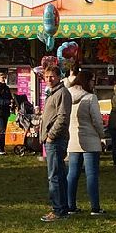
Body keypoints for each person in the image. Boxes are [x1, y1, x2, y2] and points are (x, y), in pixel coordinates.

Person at [64, 70, 107, 216]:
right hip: (90, 139)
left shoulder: (67, 95)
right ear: (87, 81)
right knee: (91, 174)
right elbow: (97, 120)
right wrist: (102, 136)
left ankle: (70, 206)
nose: (93, 83)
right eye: (92, 80)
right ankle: (95, 207)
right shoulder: (90, 98)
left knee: (72, 174)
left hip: (73, 139)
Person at [38, 74, 75, 222]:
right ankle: (62, 208)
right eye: (46, 76)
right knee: (58, 174)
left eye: (52, 76)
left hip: (56, 140)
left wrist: (51, 135)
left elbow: (63, 117)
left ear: (59, 77)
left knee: (55, 176)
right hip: (52, 139)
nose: (49, 79)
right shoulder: (53, 92)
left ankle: (59, 210)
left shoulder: (62, 93)